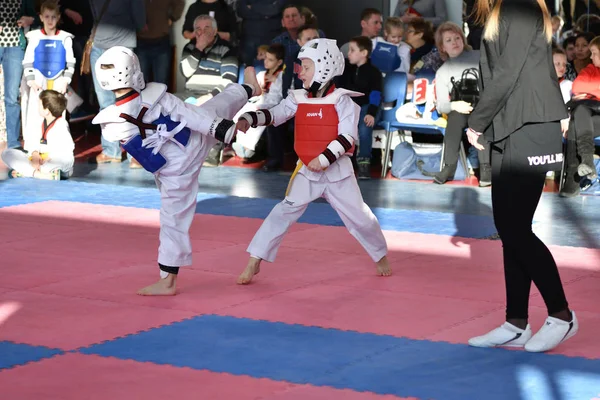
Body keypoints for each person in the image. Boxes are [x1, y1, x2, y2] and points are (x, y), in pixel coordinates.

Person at [91, 46, 261, 296]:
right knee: (219, 104)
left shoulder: (110, 124)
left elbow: (145, 157)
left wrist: (159, 168)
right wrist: (222, 130)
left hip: (175, 169)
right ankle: (248, 89)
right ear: (134, 71)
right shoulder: (158, 96)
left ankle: (168, 280)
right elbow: (190, 115)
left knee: (173, 221)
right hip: (195, 139)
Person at [466, 0, 577, 353]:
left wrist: (476, 120)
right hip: (508, 126)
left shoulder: (520, 7)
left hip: (528, 125)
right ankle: (516, 322)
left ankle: (562, 315)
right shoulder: (505, 8)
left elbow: (508, 71)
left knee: (514, 229)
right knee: (510, 228)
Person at [235, 38, 391, 285]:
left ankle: (380, 255)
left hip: (337, 172)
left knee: (360, 218)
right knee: (282, 212)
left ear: (325, 67)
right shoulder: (298, 98)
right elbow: (276, 114)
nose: (301, 73)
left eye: (306, 68)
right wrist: (251, 118)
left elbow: (348, 136)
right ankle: (255, 260)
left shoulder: (343, 100)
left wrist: (325, 158)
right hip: (308, 170)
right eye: (300, 68)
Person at [21, 0, 75, 151]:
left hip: (58, 81)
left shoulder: (65, 38)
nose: (50, 20)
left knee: (58, 115)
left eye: (53, 17)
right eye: (47, 16)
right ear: (41, 17)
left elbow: (70, 62)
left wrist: (66, 80)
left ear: (58, 18)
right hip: (38, 81)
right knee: (35, 114)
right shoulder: (34, 36)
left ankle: (58, 150)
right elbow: (28, 61)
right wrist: (31, 80)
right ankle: (33, 149)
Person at [2, 89, 74, 179]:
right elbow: (31, 142)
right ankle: (41, 175)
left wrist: (48, 158)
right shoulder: (38, 122)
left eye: (40, 105)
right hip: (38, 160)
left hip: (53, 161)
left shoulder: (62, 124)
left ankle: (27, 172)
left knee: (59, 162)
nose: (38, 107)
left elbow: (67, 148)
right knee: (7, 153)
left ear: (47, 110)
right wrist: (35, 154)